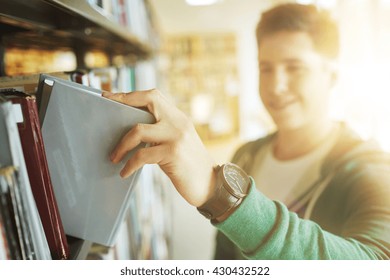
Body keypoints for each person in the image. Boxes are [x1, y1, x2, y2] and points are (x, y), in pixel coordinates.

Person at [103, 3, 390, 260]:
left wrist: (220, 194)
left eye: (295, 68)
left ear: (332, 76)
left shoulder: (371, 168)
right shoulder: (248, 155)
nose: (276, 86)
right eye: (266, 68)